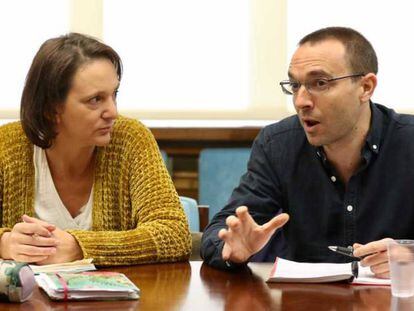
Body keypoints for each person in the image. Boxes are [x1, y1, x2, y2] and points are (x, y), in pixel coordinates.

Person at [201, 26, 414, 278]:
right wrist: (232, 249)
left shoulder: (408, 141)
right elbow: (219, 231)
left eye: (320, 83)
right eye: (294, 85)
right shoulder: (278, 144)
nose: (301, 101)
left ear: (365, 87)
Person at [0, 33, 191, 265]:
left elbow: (174, 234)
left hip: (121, 300)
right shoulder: (7, 146)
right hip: (27, 301)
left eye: (114, 94)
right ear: (51, 109)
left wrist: (80, 248)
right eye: (95, 100)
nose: (112, 112)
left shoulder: (131, 139)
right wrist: (6, 242)